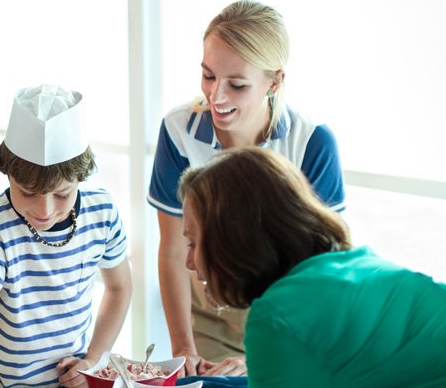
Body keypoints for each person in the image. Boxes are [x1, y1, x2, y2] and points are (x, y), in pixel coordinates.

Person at [147, 0, 345, 377]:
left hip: (290, 310)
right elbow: (174, 250)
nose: (216, 97)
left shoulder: (312, 143)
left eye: (237, 85)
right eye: (208, 76)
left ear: (274, 82)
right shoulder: (178, 131)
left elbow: (326, 269)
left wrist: (266, 353)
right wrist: (183, 348)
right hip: (211, 307)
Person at [179, 147, 446, 387]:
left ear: (233, 241)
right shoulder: (351, 263)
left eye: (193, 243)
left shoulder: (276, 317)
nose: (189, 263)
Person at [0, 84, 133, 387]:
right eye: (28, 193)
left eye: (62, 194)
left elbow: (119, 288)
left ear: (81, 177)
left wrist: (94, 359)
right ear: (7, 174)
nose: (45, 209)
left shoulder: (102, 212)